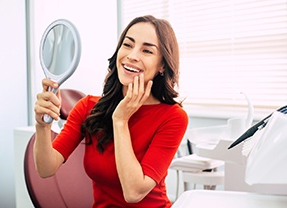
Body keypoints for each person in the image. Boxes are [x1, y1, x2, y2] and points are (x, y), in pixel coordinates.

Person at [34, 15, 188, 207]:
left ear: (162, 65)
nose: (132, 55)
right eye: (128, 45)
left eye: (147, 50)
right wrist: (42, 126)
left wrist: (121, 121)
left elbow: (133, 192)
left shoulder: (173, 117)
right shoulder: (87, 107)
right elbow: (45, 169)